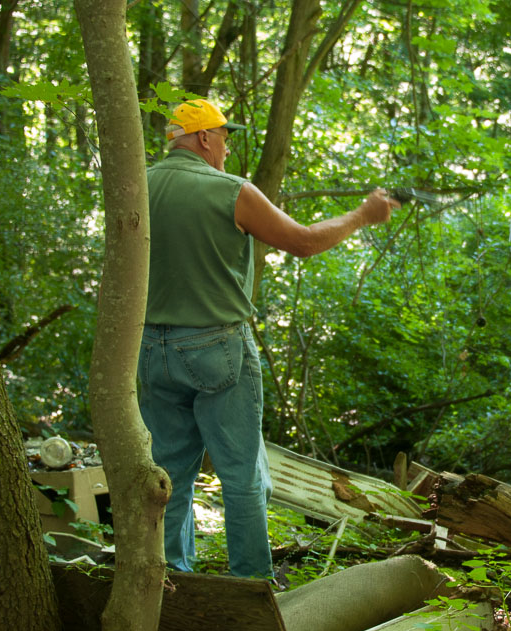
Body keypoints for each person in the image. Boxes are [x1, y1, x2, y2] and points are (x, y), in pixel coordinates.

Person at [138, 99, 397, 579]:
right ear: (203, 139)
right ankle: (250, 587)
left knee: (167, 476)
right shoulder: (230, 190)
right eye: (224, 138)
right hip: (216, 349)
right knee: (241, 476)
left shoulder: (136, 185)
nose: (227, 149)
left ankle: (167, 581)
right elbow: (303, 243)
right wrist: (363, 215)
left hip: (150, 349)